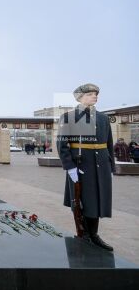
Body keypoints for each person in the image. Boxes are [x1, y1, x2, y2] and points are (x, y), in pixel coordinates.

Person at [57, 83, 115, 251]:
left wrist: (110, 166)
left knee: (97, 200)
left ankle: (94, 234)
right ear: (80, 97)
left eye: (96, 94)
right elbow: (62, 144)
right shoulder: (69, 116)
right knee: (82, 201)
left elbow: (108, 143)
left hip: (101, 165)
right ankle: (85, 234)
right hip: (81, 165)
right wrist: (70, 167)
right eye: (90, 94)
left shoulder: (103, 118)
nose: (95, 96)